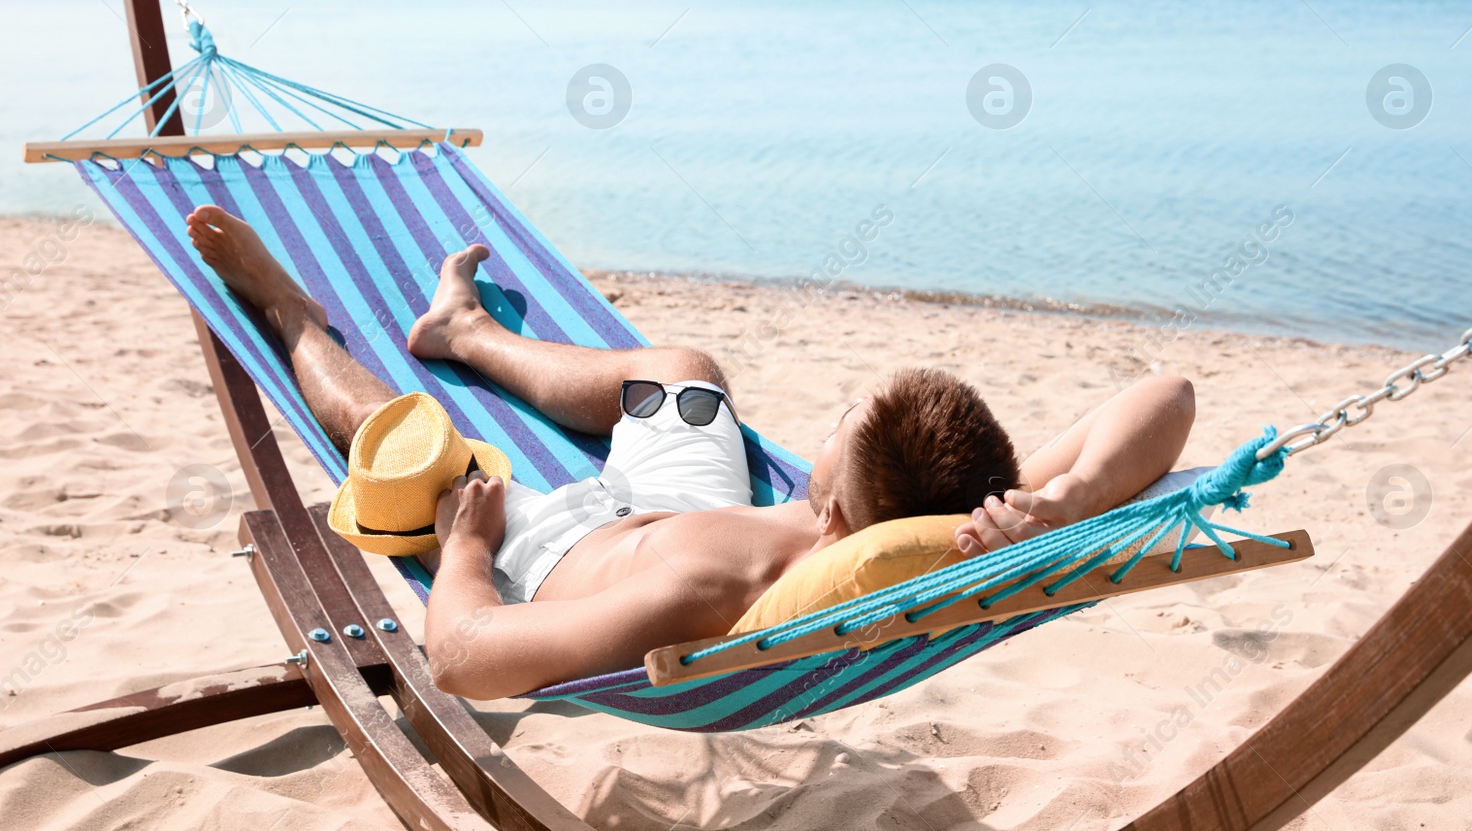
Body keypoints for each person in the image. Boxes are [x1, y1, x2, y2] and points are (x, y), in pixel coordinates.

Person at [184, 204, 1195, 698]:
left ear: (835, 509)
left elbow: (463, 660)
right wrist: (1070, 500)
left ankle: (288, 307)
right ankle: (465, 333)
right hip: (680, 504)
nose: (835, 418)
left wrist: (465, 552)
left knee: (402, 445)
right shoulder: (959, 523)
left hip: (570, 548)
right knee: (684, 366)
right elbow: (1168, 395)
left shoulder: (694, 598)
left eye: (841, 423)